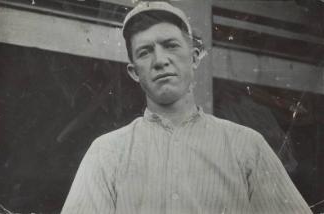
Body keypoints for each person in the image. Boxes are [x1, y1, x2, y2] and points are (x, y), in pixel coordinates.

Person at [61, 1, 312, 213]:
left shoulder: (246, 146)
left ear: (194, 57)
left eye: (171, 45)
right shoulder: (106, 153)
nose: (160, 61)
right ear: (134, 72)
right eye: (145, 52)